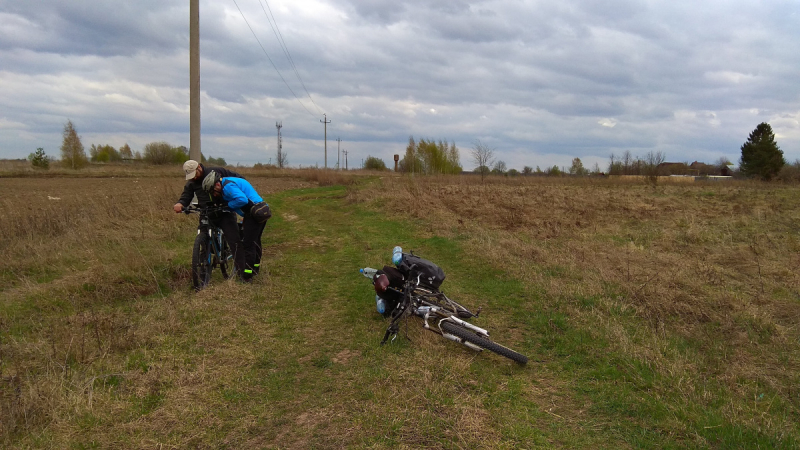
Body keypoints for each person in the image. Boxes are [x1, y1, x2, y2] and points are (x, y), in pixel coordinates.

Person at [173, 160, 247, 280]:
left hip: (224, 211)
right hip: (206, 213)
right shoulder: (192, 182)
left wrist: (237, 198)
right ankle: (202, 274)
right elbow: (186, 195)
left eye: (194, 174)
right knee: (203, 240)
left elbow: (239, 179)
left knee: (234, 242)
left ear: (199, 168)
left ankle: (243, 273)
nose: (194, 178)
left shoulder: (217, 171)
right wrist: (180, 204)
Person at [202, 171, 271, 281]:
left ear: (217, 185)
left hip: (254, 214)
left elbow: (242, 199)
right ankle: (255, 269)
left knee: (248, 245)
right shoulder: (228, 182)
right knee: (255, 242)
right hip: (261, 210)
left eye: (213, 191)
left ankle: (247, 276)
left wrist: (227, 205)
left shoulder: (227, 186)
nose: (214, 195)